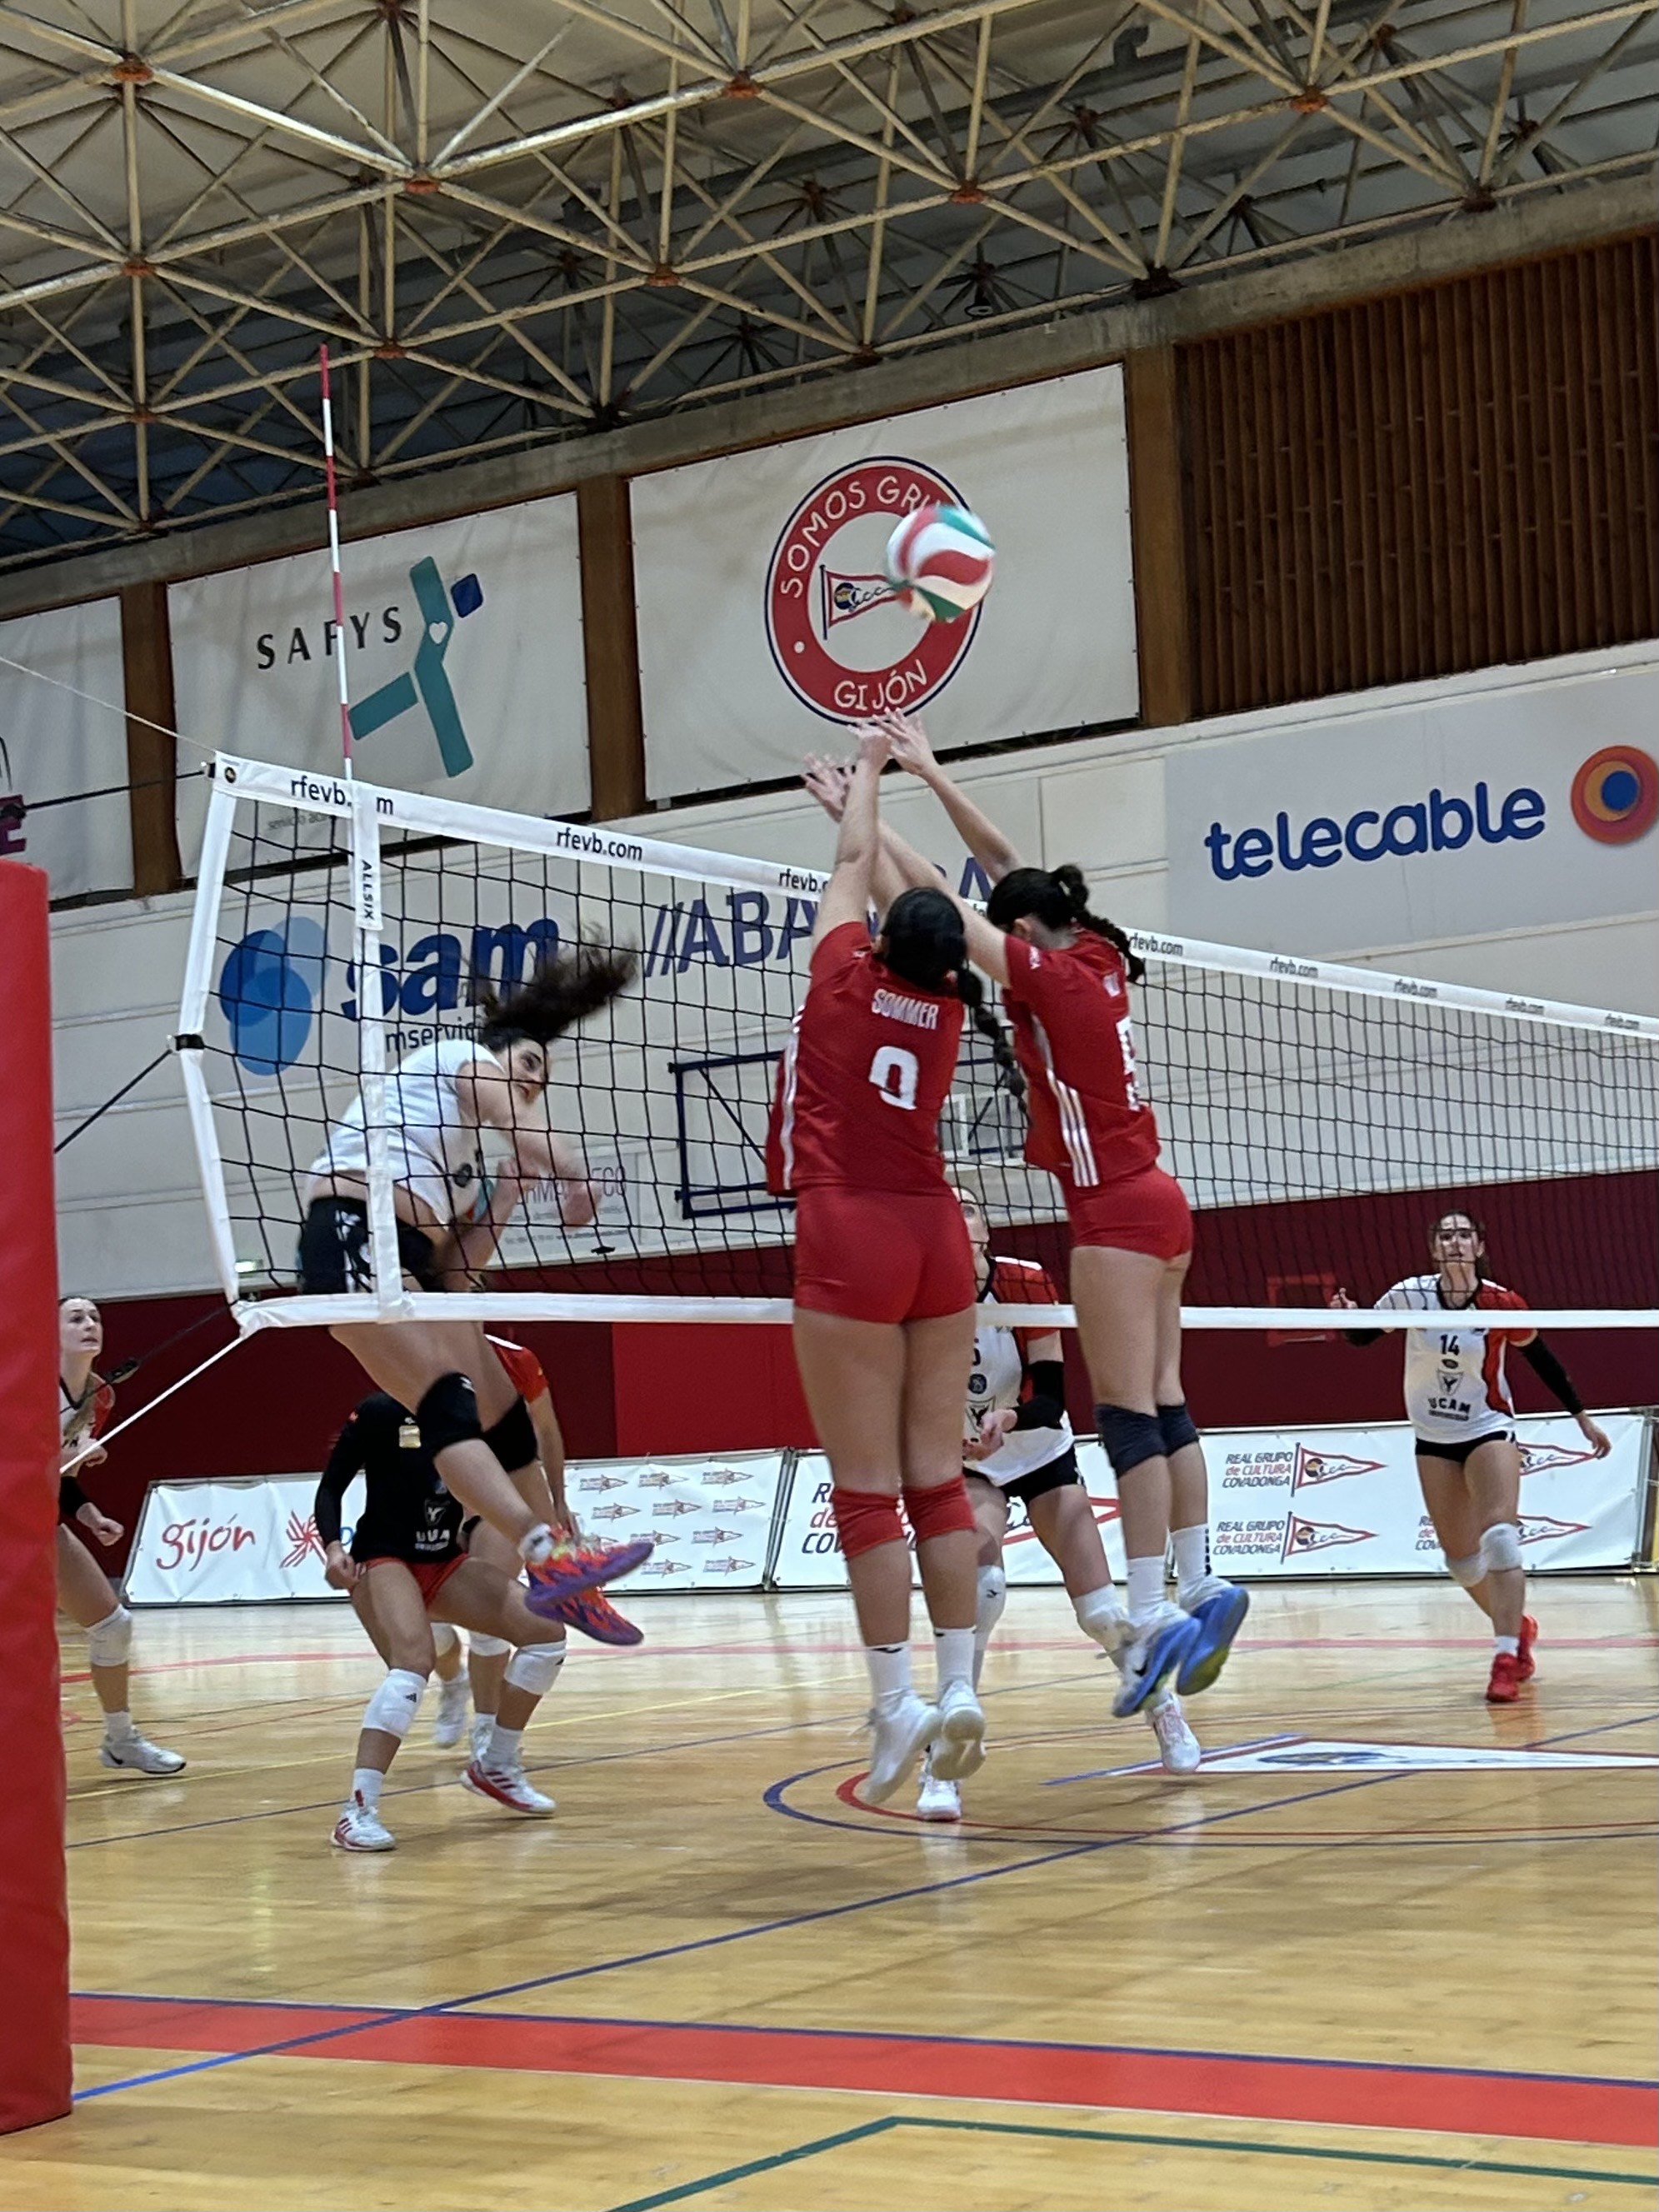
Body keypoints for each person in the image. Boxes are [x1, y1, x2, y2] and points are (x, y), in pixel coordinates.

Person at [877, 711, 1247, 1716]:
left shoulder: (1049, 980)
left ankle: (1151, 1614)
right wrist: (932, 770)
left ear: (1028, 936)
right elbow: (1007, 870)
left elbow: (941, 911)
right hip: (1164, 1201)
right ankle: (1199, 1579)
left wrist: (861, 819)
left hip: (1114, 1213)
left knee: (1125, 1415)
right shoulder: (1097, 953)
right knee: (1165, 1402)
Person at [767, 727, 1021, 1805]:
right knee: (937, 1481)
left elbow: (847, 867)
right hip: (935, 1233)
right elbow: (898, 886)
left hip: (851, 1229)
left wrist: (859, 776)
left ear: (878, 940)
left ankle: (894, 1705)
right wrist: (876, 789)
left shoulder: (840, 978)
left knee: (866, 1493)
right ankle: (957, 1685)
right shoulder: (953, 1004)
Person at [299, 946, 652, 1613]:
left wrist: (509, 1193)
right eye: (528, 1065)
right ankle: (542, 1550)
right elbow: (519, 1122)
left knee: (497, 1400)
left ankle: (566, 1568)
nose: (531, 1083)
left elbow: (455, 1274)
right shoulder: (456, 1058)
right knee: (447, 1396)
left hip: (410, 1258)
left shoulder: (458, 1170)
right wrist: (574, 1176)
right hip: (349, 1228)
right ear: (498, 1052)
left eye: (541, 1079)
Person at [916, 1193, 1202, 1820]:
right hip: (968, 1459)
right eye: (944, 1208)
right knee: (980, 1590)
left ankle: (1162, 1706)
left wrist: (1007, 1419)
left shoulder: (1024, 1281)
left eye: (968, 1208)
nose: (956, 1217)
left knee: (1100, 1611)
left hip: (1037, 1448)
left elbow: (1050, 1395)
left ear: (986, 1228)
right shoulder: (916, 1290)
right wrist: (944, 1435)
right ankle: (945, 1756)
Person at [1331, 1211, 1610, 1703]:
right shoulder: (1410, 1296)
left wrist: (1582, 1417)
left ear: (1479, 1247)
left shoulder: (1501, 1303)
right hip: (1432, 1437)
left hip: (1488, 1427)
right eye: (1446, 1235)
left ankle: (1506, 1658)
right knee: (1461, 1562)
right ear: (1434, 1248)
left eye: (1464, 1235)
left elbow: (1542, 1359)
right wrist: (1347, 1317)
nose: (1455, 1242)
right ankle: (1518, 1627)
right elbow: (1363, 1337)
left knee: (1500, 1537)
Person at [316, 1391, 584, 1850]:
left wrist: (552, 1524)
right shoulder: (381, 1411)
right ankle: (356, 1812)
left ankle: (496, 1763)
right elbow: (331, 1486)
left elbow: (517, 1472)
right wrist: (333, 1547)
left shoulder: (474, 1411)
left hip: (444, 1561)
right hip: (383, 1557)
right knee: (412, 1665)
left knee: (546, 1634)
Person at [462, 1334, 642, 1765]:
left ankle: (489, 1730)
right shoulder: (420, 1353)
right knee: (450, 1631)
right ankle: (460, 1693)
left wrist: (558, 1501)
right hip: (452, 1491)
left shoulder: (515, 1359)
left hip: (511, 1491)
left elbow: (545, 1429)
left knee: (493, 1618)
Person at [57, 1297, 185, 1776]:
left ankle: (121, 1740)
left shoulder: (100, 1396)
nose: (89, 1324)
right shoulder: (23, 1387)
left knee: (113, 1626)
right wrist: (64, 1454)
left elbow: (62, 1481)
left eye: (95, 1317)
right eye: (75, 1318)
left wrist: (91, 1517)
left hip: (38, 1524)